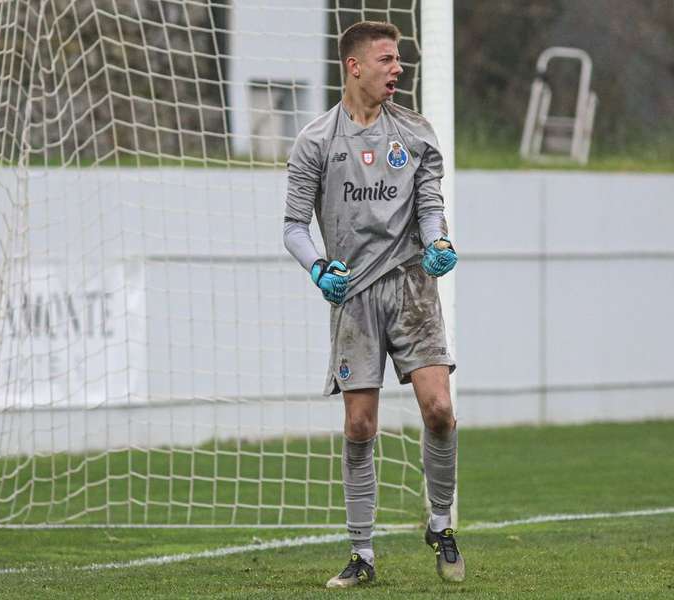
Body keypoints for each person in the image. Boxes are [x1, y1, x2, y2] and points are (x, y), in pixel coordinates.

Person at [282, 20, 464, 588]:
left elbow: (430, 206)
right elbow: (293, 227)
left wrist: (437, 242)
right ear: (354, 66)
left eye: (400, 59)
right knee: (360, 425)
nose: (398, 68)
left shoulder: (415, 133)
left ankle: (440, 522)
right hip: (353, 294)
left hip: (412, 286)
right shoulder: (316, 140)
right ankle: (362, 555)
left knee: (439, 408)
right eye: (387, 59)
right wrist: (319, 270)